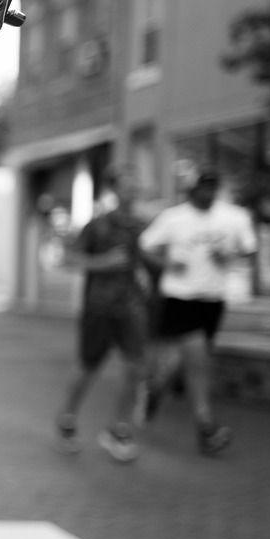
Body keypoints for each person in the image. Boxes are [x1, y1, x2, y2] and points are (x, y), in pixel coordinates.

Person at [137, 170, 257, 454]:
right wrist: (167, 264)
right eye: (203, 187)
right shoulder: (173, 217)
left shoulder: (234, 217)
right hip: (180, 298)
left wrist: (230, 257)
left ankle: (154, 389)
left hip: (213, 300)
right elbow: (144, 247)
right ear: (191, 190)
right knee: (198, 362)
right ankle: (207, 428)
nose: (208, 193)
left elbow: (250, 251)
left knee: (183, 360)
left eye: (213, 187)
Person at [53, 163, 152, 462]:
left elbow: (150, 259)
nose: (132, 189)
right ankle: (67, 418)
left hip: (131, 307)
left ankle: (117, 429)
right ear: (114, 189)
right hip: (99, 307)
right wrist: (104, 261)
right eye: (126, 184)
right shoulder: (97, 226)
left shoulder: (142, 226)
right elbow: (70, 259)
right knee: (88, 366)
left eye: (135, 184)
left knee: (135, 366)